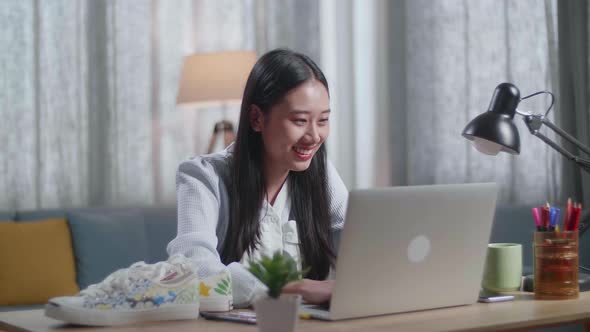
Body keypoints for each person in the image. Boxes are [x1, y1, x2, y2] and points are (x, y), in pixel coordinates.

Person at [167, 48, 348, 308]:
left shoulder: (319, 171)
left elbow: (363, 238)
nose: (314, 136)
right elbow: (195, 270)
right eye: (300, 120)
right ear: (256, 118)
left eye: (323, 120)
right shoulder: (202, 177)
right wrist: (294, 289)